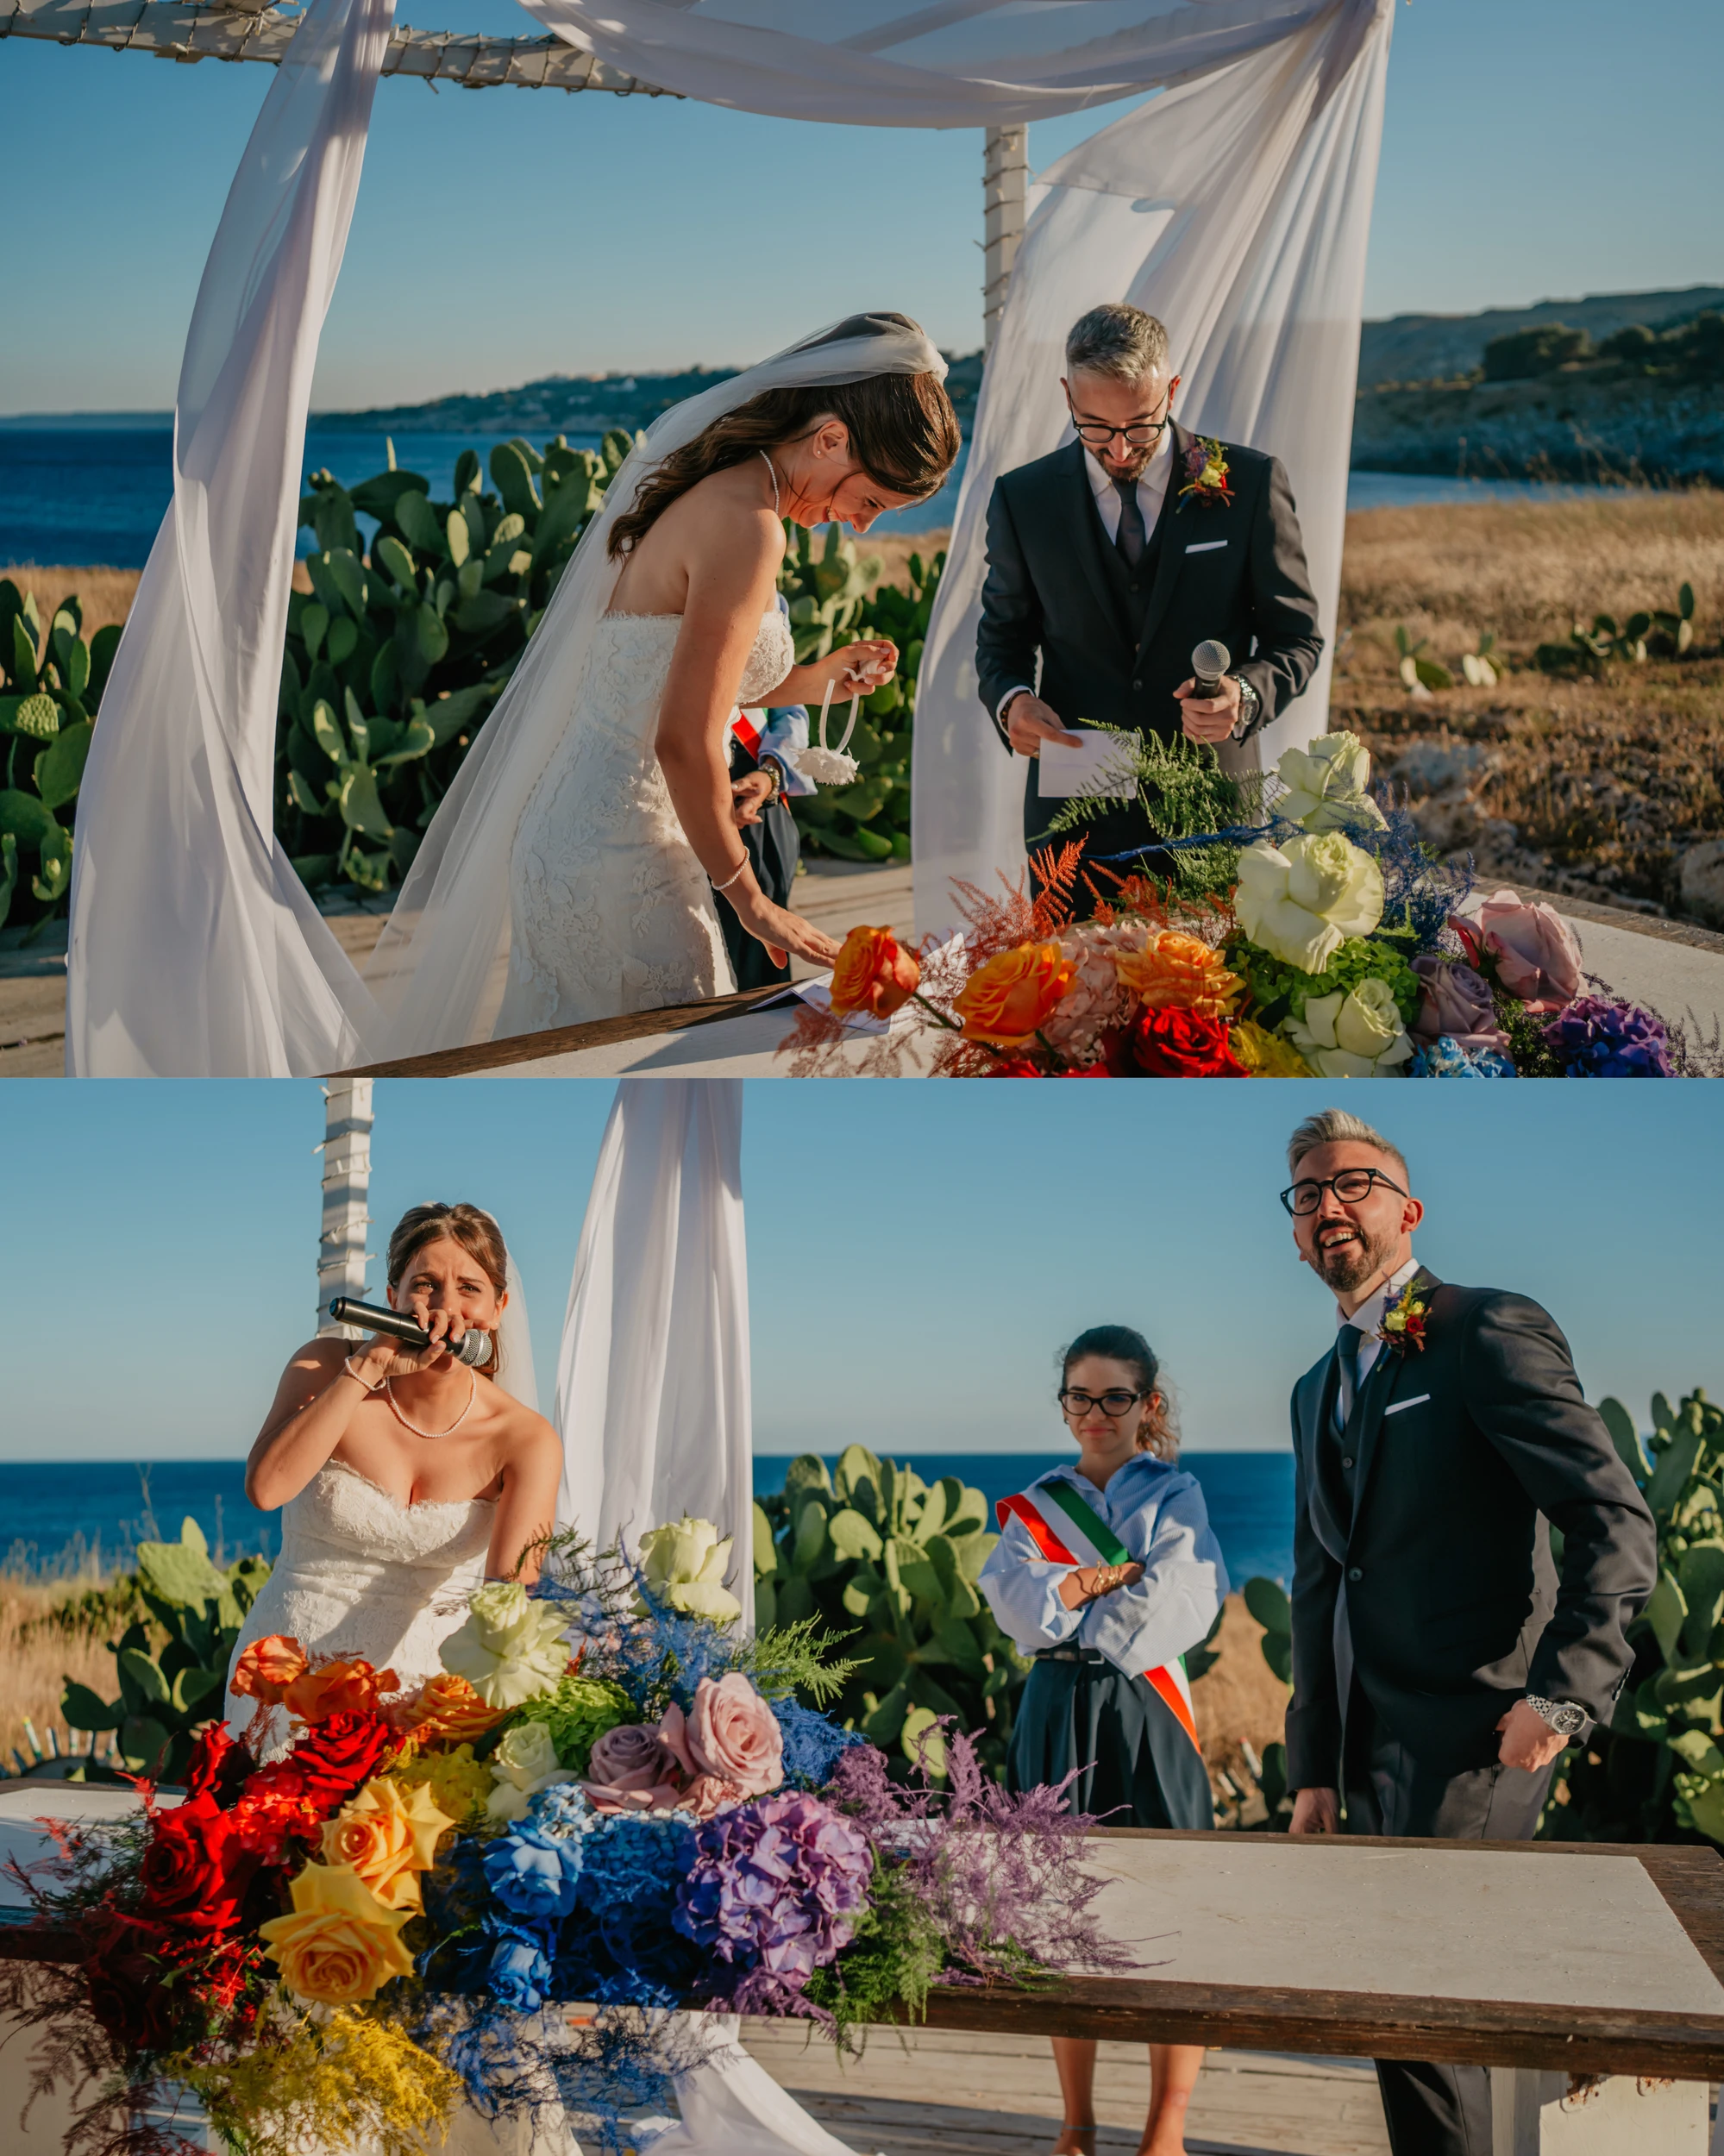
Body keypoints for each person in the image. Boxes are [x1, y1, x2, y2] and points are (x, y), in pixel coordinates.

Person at [1279, 1107, 1658, 2156]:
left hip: (1479, 1734)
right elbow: (1320, 1586)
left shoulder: (1485, 1327)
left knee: (1432, 2011)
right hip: (1368, 1749)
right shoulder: (1314, 1387)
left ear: (1408, 1208)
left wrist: (1560, 1697)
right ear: (1293, 1230)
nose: (1329, 1205)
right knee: (1404, 2018)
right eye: (1307, 1193)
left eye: (1353, 1183)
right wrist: (1314, 1766)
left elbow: (1609, 1517)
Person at [482, 318, 960, 1038]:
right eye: (869, 502)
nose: (857, 527)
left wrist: (818, 680)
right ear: (829, 439)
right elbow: (683, 739)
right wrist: (750, 899)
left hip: (581, 834)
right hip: (623, 853)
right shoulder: (750, 525)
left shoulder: (723, 491)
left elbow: (675, 681)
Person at [975, 302, 1323, 916]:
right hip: (1074, 813)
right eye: (1093, 427)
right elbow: (1001, 640)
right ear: (1066, 395)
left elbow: (1295, 639)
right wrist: (1011, 702)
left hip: (1210, 804)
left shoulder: (1251, 482)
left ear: (1172, 390)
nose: (1117, 449)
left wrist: (1242, 696)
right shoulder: (1021, 498)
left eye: (1140, 426)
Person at [980, 1326, 1227, 2156]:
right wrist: (1096, 1579)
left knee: (1175, 1912)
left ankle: (1167, 2127)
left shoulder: (1176, 1494)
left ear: (1146, 1405)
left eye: (1114, 1396)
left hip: (1146, 1705)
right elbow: (1010, 1603)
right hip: (1054, 1707)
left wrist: (1068, 1605)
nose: (1095, 1412)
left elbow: (1185, 1595)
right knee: (1054, 1913)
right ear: (1063, 1406)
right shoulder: (1033, 1503)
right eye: (1079, 1396)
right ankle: (1077, 2122)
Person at [228, 1200, 562, 1758]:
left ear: (499, 1307)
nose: (445, 1308)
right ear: (392, 1299)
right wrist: (366, 1370)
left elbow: (509, 1607)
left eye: (469, 1289)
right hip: (280, 1683)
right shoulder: (323, 1368)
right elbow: (266, 1489)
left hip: (423, 1707)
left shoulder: (524, 1439)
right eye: (426, 1285)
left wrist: (442, 1710)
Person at [720, 593, 815, 993]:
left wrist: (772, 772)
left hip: (762, 799)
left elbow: (788, 704)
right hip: (685, 800)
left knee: (764, 975)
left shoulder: (773, 598)